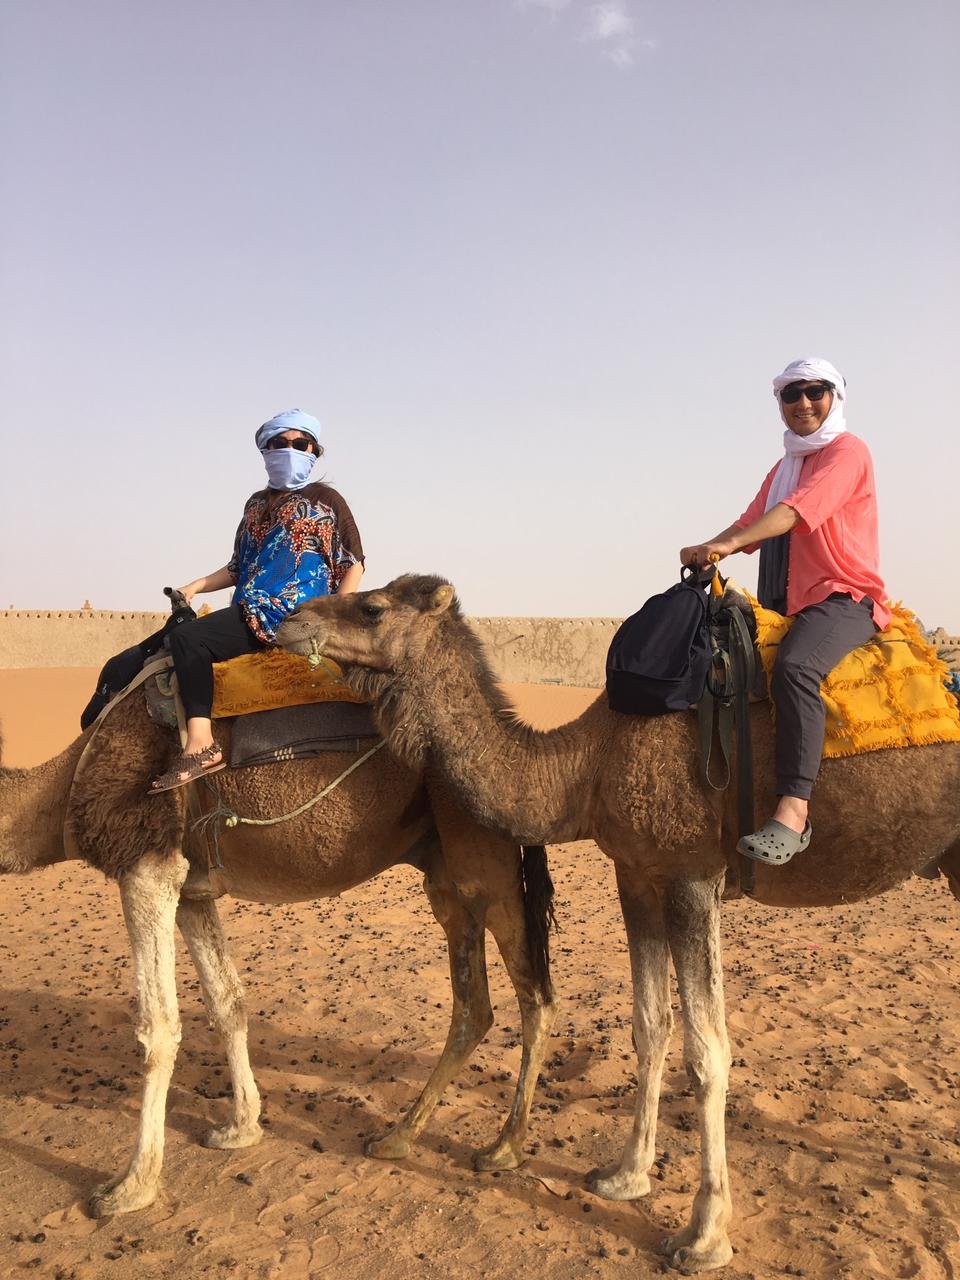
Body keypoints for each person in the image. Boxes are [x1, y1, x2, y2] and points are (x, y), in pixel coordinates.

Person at [679, 357, 890, 864]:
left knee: (796, 668)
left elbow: (795, 514)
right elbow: (755, 518)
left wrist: (727, 546)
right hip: (789, 602)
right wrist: (709, 545)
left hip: (843, 596)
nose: (803, 404)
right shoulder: (784, 467)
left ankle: (795, 812)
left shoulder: (848, 451)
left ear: (835, 397)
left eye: (815, 391)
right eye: (790, 395)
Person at [150, 408, 364, 792]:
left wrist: (337, 615)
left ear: (315, 451)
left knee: (189, 640)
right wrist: (194, 586)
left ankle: (201, 745)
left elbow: (354, 563)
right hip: (248, 608)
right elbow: (238, 566)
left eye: (301, 444)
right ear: (265, 451)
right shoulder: (254, 504)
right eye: (279, 443)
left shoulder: (327, 500)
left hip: (292, 616)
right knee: (161, 645)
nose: (291, 449)